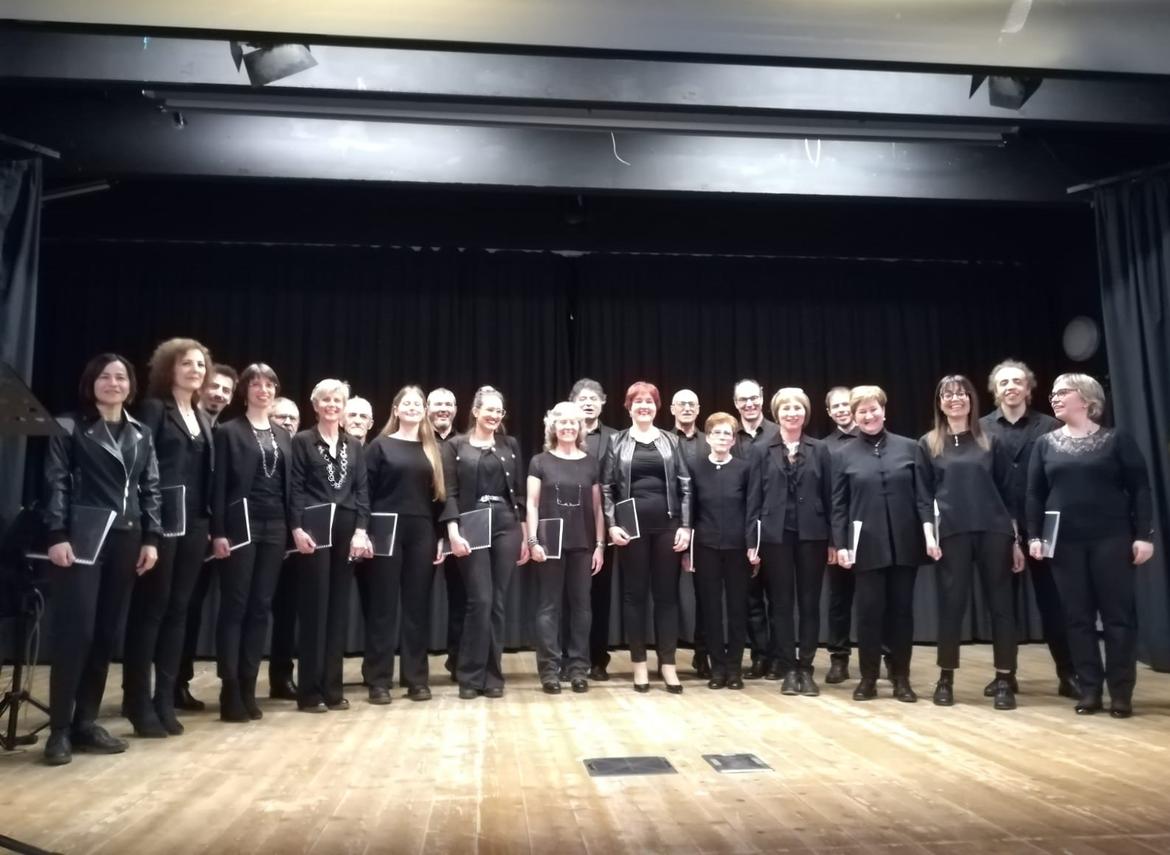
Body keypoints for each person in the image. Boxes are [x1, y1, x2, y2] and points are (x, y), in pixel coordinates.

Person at [42, 353, 162, 765]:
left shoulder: (142, 432)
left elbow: (151, 487)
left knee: (107, 633)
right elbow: (56, 482)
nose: (114, 383)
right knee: (78, 632)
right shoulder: (69, 425)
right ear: (91, 383)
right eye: (105, 377)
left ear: (131, 385)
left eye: (121, 377)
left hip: (127, 537)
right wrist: (57, 534)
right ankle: (59, 729)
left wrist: (152, 538)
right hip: (82, 537)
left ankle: (85, 722)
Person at [1027, 373, 1154, 718]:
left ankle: (1121, 692)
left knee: (1118, 617)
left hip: (1112, 538)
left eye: (1062, 392)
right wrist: (1035, 537)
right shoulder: (1045, 444)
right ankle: (1090, 690)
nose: (1054, 398)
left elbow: (1140, 489)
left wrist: (1143, 535)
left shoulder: (1116, 440)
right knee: (1077, 618)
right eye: (1053, 394)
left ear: (1085, 398)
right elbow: (1034, 494)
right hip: (1065, 543)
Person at [122, 338, 215, 738]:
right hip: (160, 522)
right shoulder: (154, 410)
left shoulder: (202, 416)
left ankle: (164, 698)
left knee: (179, 611)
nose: (195, 370)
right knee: (152, 611)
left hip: (195, 524)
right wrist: (150, 529)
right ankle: (137, 701)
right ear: (168, 369)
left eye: (200, 364)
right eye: (186, 363)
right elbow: (143, 470)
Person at [920, 375, 1023, 710]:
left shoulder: (992, 439)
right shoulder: (929, 443)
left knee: (1001, 607)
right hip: (952, 532)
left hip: (994, 530)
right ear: (939, 403)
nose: (955, 399)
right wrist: (929, 535)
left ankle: (1004, 678)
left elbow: (1009, 493)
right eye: (947, 394)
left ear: (971, 399)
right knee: (951, 605)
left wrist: (1016, 540)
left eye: (961, 393)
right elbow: (923, 496)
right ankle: (945, 678)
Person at [832, 385, 937, 703]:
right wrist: (841, 544)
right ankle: (868, 678)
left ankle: (901, 678)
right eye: (862, 411)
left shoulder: (910, 448)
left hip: (905, 544)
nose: (868, 416)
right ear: (855, 416)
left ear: (884, 411)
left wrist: (929, 535)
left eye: (873, 409)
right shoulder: (843, 455)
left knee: (901, 613)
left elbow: (923, 497)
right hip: (866, 547)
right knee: (869, 614)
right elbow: (839, 506)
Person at [979, 359, 1077, 699]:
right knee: (1002, 607)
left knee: (1054, 603)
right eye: (1003, 382)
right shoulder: (981, 429)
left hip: (1044, 526)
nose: (1011, 387)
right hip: (998, 527)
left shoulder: (1051, 425)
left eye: (1017, 381)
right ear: (995, 391)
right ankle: (1005, 676)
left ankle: (1068, 673)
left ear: (1028, 388)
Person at [210, 363, 292, 722]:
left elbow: (289, 487)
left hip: (275, 526)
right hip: (239, 526)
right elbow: (218, 487)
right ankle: (229, 688)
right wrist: (219, 531)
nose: (264, 389)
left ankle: (248, 684)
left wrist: (293, 528)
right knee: (236, 605)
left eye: (269, 384)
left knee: (260, 606)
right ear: (244, 391)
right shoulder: (229, 432)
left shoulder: (283, 435)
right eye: (256, 384)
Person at [601, 381, 693, 693]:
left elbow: (685, 485)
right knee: (634, 596)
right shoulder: (616, 441)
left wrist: (686, 526)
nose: (644, 406)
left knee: (667, 597)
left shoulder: (671, 440)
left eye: (649, 401)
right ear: (629, 407)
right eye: (638, 401)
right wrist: (612, 525)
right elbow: (606, 488)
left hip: (668, 526)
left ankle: (668, 665)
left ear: (657, 407)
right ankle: (639, 663)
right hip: (631, 530)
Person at [440, 386, 529, 699]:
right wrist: (453, 532)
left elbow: (518, 493)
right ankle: (469, 675)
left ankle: (492, 676)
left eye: (498, 411)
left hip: (506, 523)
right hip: (472, 522)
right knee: (480, 599)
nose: (494, 415)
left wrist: (524, 534)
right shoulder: (455, 446)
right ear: (475, 411)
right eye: (488, 409)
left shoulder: (509, 445)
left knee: (498, 601)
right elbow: (449, 493)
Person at [289, 379, 371, 713]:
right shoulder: (302, 441)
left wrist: (361, 530)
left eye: (337, 400)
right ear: (315, 405)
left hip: (347, 529)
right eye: (326, 400)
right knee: (315, 608)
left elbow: (362, 491)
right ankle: (310, 692)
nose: (332, 405)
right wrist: (296, 527)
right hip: (314, 528)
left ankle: (333, 689)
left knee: (338, 609)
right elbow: (295, 487)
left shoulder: (354, 445)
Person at [747, 388, 834, 697]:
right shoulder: (761, 449)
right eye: (786, 408)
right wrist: (752, 540)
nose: (792, 413)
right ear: (777, 413)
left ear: (806, 413)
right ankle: (788, 668)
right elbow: (753, 498)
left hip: (813, 535)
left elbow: (830, 496)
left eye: (798, 407)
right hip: (775, 536)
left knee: (809, 604)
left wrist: (834, 540)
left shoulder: (820, 449)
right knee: (781, 604)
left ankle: (806, 667)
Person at [362, 386, 445, 702]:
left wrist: (440, 536)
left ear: (424, 411)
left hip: (421, 530)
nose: (412, 407)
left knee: (417, 607)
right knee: (383, 607)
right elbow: (365, 492)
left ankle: (416, 679)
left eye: (417, 404)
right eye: (406, 403)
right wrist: (364, 531)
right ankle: (378, 680)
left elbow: (439, 496)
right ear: (396, 409)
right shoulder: (379, 446)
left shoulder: (431, 448)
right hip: (385, 528)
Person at [526, 402, 605, 694]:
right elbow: (532, 504)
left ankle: (578, 669)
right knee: (548, 606)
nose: (568, 427)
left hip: (583, 544)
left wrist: (600, 546)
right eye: (562, 422)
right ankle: (549, 670)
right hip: (550, 545)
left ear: (580, 428)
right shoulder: (539, 462)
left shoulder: (591, 463)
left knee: (582, 608)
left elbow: (598, 509)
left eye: (573, 422)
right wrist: (532, 540)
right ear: (553, 427)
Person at [175, 363, 237, 712]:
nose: (219, 394)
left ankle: (177, 683)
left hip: (209, 535)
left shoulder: (220, 431)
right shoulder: (186, 425)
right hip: (179, 529)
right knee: (172, 610)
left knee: (191, 610)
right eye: (215, 387)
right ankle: (155, 689)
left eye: (226, 390)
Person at [689, 412, 755, 690]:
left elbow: (752, 510)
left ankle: (734, 669)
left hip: (738, 549)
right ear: (708, 437)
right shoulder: (695, 468)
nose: (722, 437)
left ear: (734, 439)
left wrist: (753, 545)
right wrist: (688, 552)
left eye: (727, 433)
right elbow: (690, 511)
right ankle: (717, 669)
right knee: (711, 610)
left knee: (737, 609)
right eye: (717, 432)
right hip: (705, 548)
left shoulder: (744, 469)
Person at [570, 378, 619, 682]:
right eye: (582, 399)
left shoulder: (616, 437)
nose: (588, 403)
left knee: (600, 595)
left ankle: (598, 659)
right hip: (568, 522)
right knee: (569, 596)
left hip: (603, 524)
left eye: (593, 398)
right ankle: (570, 657)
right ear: (573, 402)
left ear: (603, 402)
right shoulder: (563, 432)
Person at [731, 378, 779, 680]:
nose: (749, 404)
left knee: (777, 597)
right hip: (740, 526)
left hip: (773, 525)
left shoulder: (778, 432)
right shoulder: (728, 434)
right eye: (742, 399)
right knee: (750, 599)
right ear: (735, 403)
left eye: (753, 398)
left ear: (762, 397)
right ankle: (759, 656)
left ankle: (778, 657)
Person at [670, 388, 710, 679]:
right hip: (671, 526)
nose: (686, 408)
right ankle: (667, 657)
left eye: (691, 404)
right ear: (672, 409)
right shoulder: (662, 440)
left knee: (705, 596)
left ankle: (703, 654)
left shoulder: (710, 441)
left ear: (698, 409)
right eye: (681, 404)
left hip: (705, 525)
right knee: (666, 594)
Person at [822, 385, 860, 684]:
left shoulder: (874, 438)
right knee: (839, 600)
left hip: (871, 532)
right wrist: (833, 540)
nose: (842, 409)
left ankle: (886, 654)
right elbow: (825, 497)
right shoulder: (824, 447)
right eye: (835, 406)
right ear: (829, 412)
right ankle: (838, 658)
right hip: (839, 534)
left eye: (846, 404)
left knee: (878, 599)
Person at [427, 387, 464, 680]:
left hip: (456, 531)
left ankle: (458, 661)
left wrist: (449, 532)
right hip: (422, 529)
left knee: (461, 599)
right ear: (427, 408)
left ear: (455, 409)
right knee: (416, 600)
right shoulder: (415, 442)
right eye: (438, 404)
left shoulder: (465, 443)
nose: (443, 408)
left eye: (448, 404)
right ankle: (414, 670)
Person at [267, 396, 301, 700]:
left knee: (287, 615)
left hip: (293, 548)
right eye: (281, 417)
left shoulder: (300, 448)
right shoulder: (260, 448)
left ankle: (281, 677)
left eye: (293, 418)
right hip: (261, 539)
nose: (288, 422)